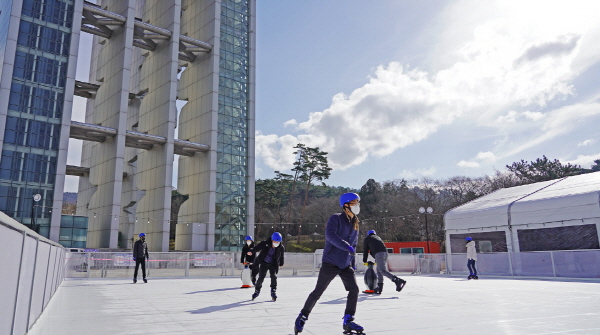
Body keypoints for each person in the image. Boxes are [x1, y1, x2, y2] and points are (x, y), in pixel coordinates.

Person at [294, 192, 364, 335]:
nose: (357, 206)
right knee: (318, 292)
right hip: (331, 262)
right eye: (354, 203)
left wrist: (352, 261)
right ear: (346, 205)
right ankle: (302, 316)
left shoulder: (355, 223)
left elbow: (354, 245)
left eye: (358, 203)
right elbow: (330, 235)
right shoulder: (336, 218)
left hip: (345, 264)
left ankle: (348, 319)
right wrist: (345, 246)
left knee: (354, 290)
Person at [362, 230, 406, 294]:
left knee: (382, 271)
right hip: (385, 253)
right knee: (379, 270)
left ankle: (397, 280)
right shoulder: (378, 238)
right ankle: (379, 288)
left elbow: (366, 250)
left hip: (379, 254)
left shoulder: (367, 239)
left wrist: (364, 260)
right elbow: (373, 250)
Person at [248, 232, 285, 301]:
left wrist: (281, 263)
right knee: (261, 278)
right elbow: (257, 247)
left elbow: (282, 256)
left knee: (273, 276)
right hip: (264, 263)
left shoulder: (281, 247)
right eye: (275, 241)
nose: (276, 243)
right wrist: (251, 251)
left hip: (273, 264)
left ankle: (273, 290)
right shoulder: (265, 243)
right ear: (271, 240)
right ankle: (257, 290)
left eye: (278, 242)